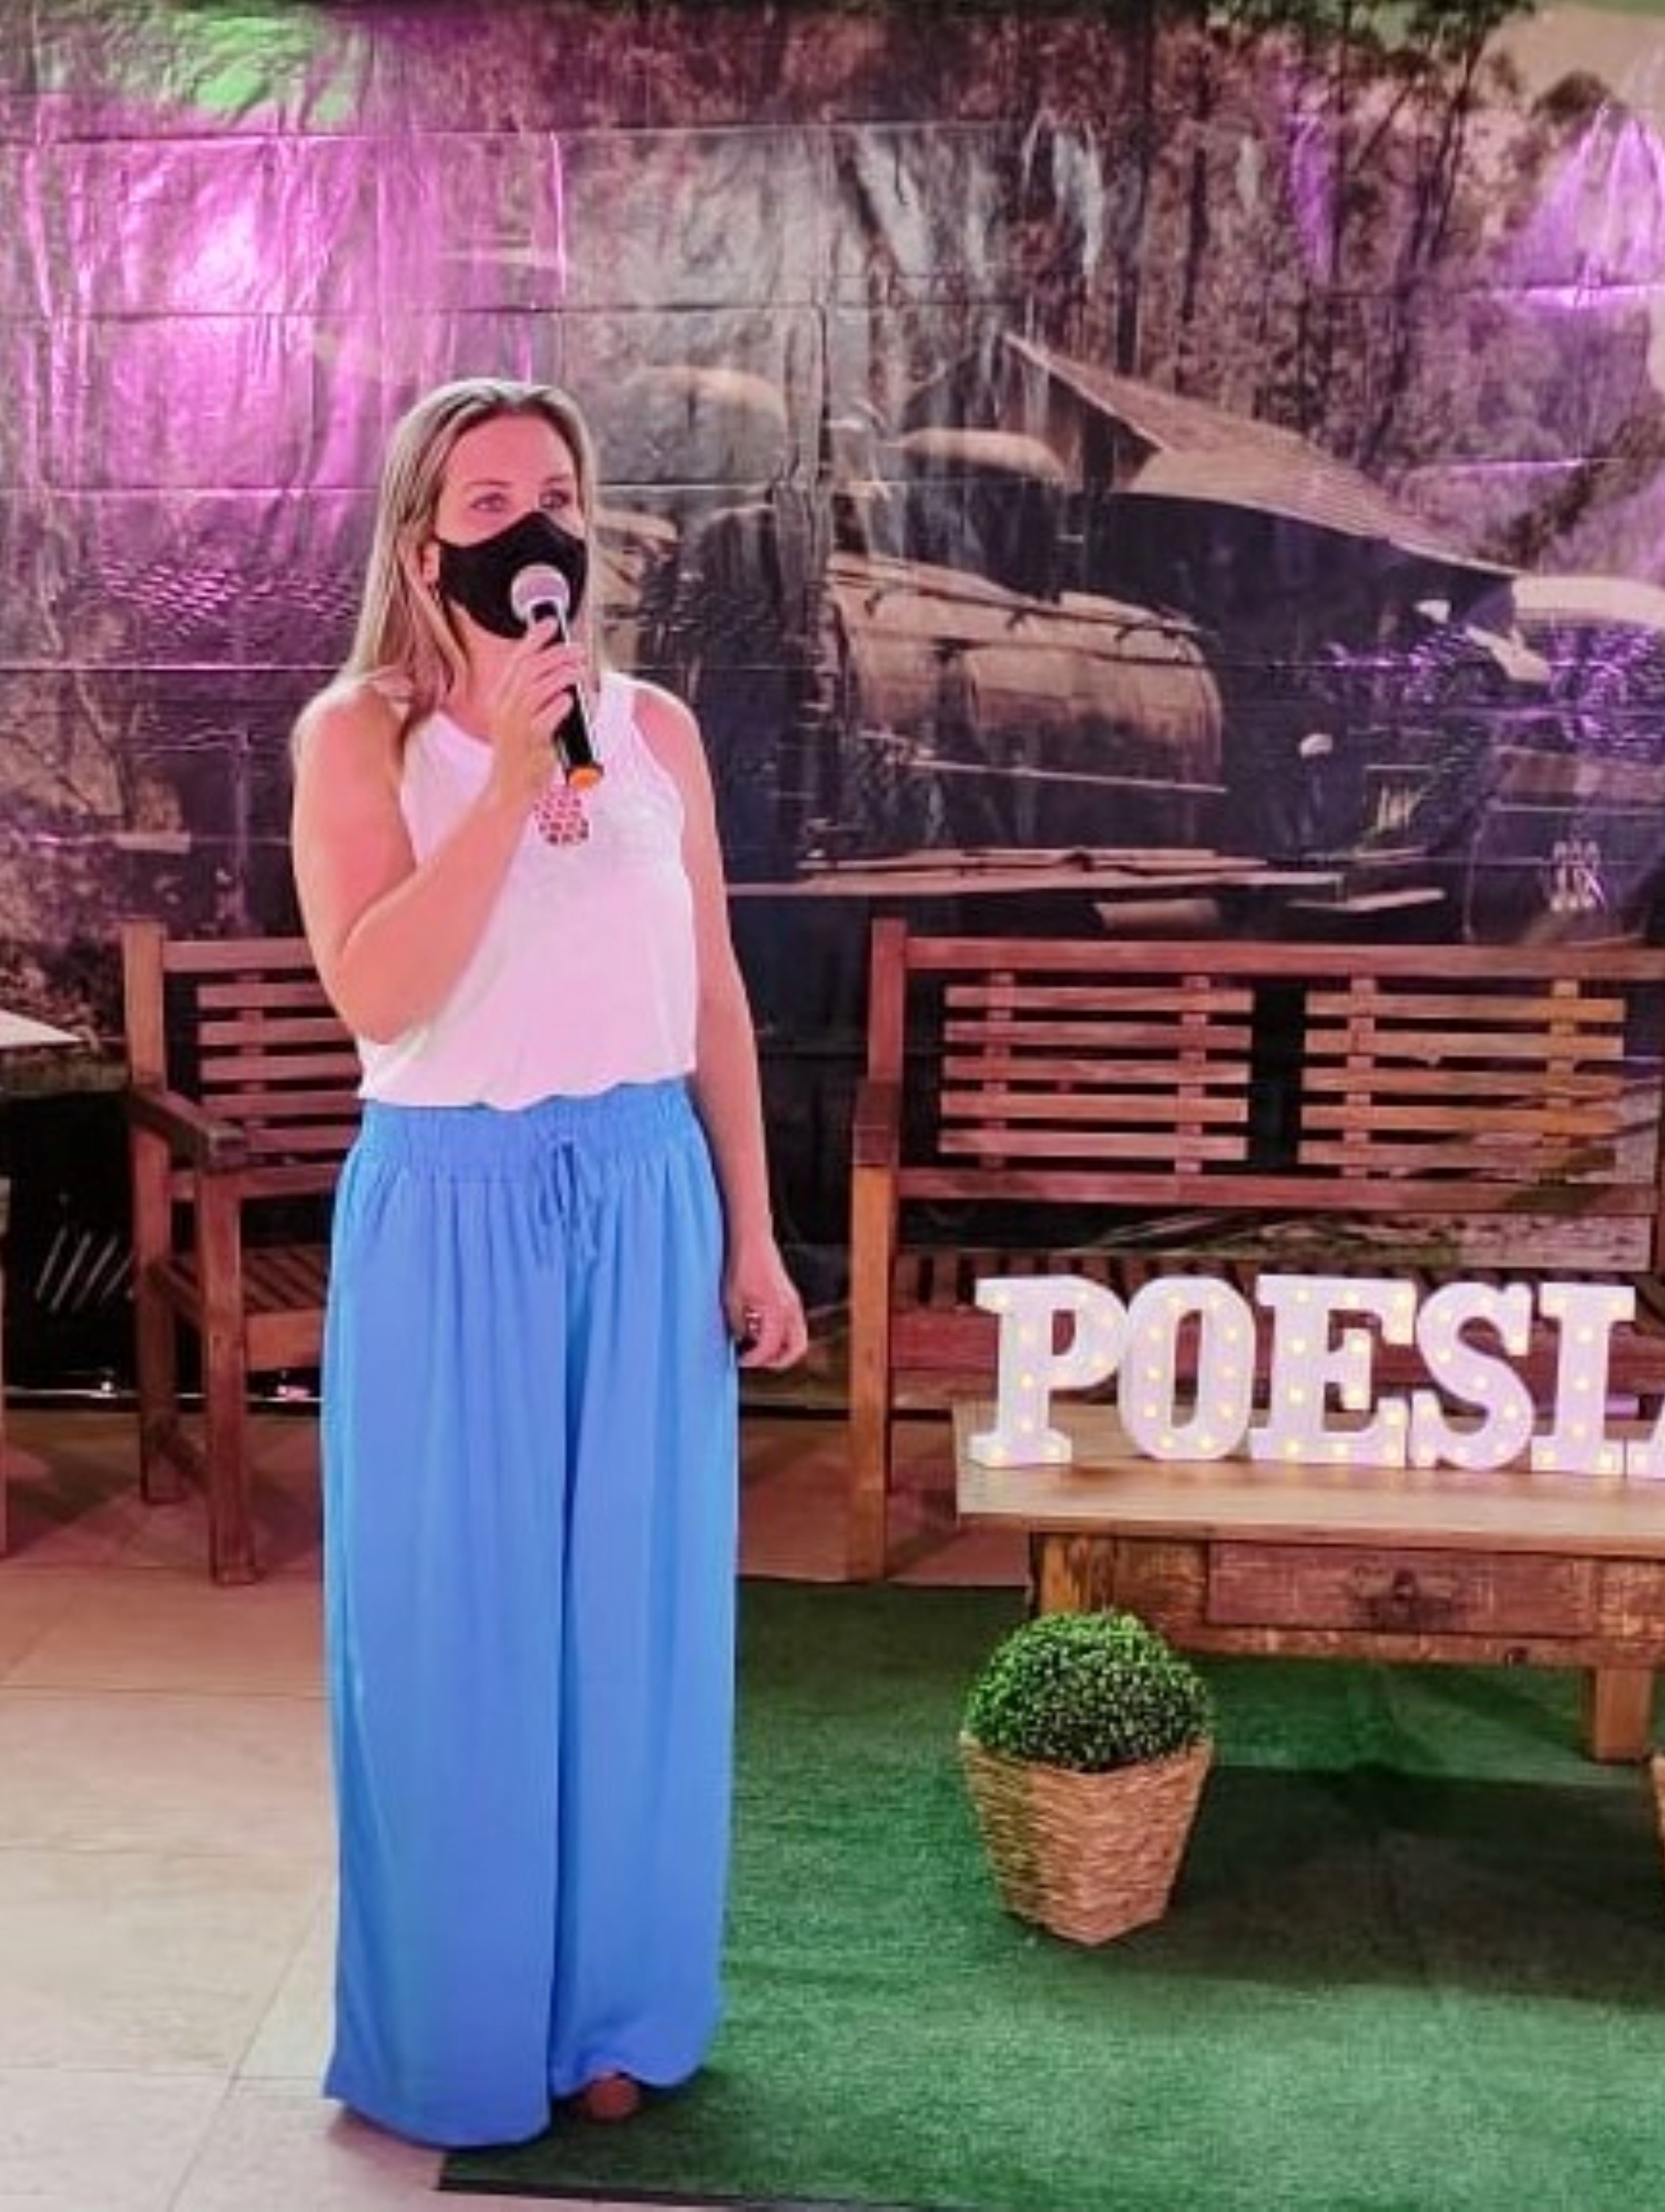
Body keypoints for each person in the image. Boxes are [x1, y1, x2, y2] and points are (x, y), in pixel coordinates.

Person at [290, 376, 810, 2150]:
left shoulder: (655, 731)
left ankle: (614, 2013)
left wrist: (752, 1229)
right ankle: (461, 2029)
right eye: (492, 498)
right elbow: (377, 991)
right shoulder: (356, 738)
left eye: (562, 495)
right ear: (421, 543)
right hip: (453, 1211)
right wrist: (510, 782)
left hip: (646, 1192)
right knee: (458, 1635)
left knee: (633, 1626)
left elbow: (712, 994)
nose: (537, 527)